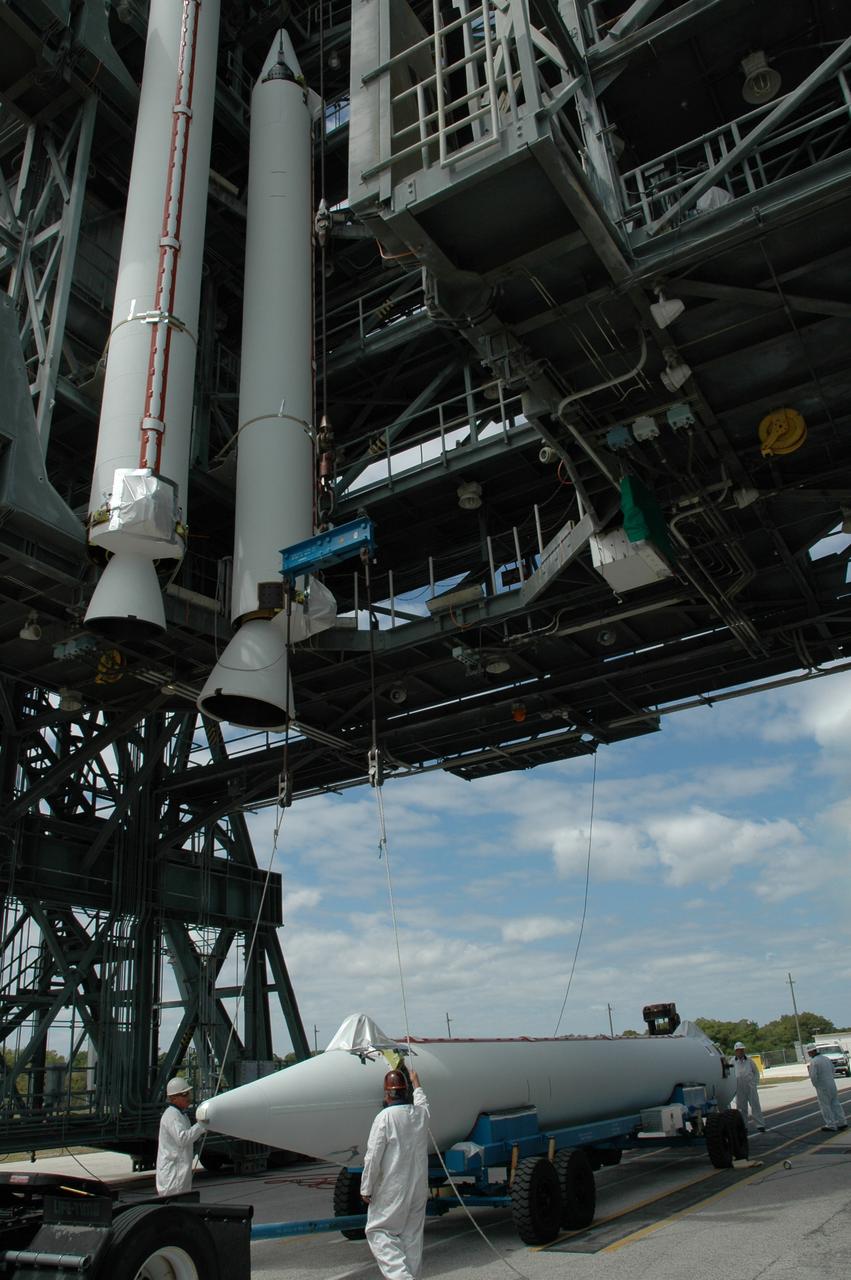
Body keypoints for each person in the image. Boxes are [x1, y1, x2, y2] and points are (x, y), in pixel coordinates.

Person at [361, 1066, 430, 1280]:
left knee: (379, 1232)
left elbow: (373, 1157)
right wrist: (417, 1082)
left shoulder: (384, 1118)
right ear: (405, 1091)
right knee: (411, 1238)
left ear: (387, 1094)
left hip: (393, 1188)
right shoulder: (420, 1115)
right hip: (418, 1188)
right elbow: (423, 1104)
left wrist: (366, 1188)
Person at [155, 1076, 206, 1196]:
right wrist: (201, 1125)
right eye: (184, 1094)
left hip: (181, 1172)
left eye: (188, 1093)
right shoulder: (172, 1115)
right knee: (173, 1207)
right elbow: (183, 1139)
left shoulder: (181, 1115)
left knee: (182, 1201)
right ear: (174, 1098)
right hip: (173, 1175)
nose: (188, 1097)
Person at [807, 1046, 848, 1132]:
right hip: (831, 1084)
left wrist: (816, 1085)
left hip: (822, 1085)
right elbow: (833, 1070)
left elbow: (813, 1076)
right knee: (835, 1103)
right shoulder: (826, 1058)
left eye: (809, 1052)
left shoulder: (814, 1062)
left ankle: (831, 1124)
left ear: (811, 1052)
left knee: (825, 1105)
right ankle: (842, 1122)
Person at [732, 1042, 766, 1132]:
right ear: (735, 1051)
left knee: (755, 1105)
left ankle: (760, 1125)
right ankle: (744, 1126)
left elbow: (756, 1072)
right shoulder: (732, 1061)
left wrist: (754, 1083)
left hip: (750, 1086)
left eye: (742, 1050)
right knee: (741, 1107)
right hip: (738, 1087)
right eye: (738, 1050)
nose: (740, 1052)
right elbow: (730, 1074)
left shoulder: (750, 1061)